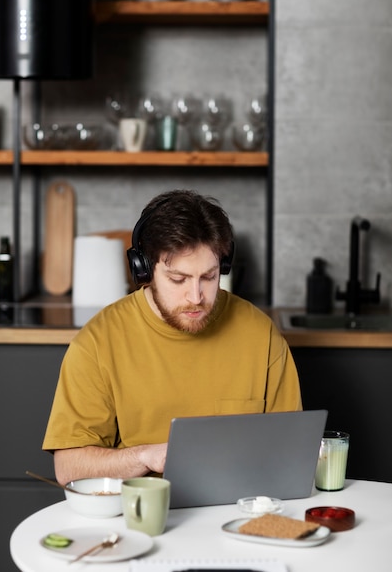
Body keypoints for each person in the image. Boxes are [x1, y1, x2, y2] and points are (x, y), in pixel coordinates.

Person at [43, 189, 302, 485]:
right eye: (178, 279)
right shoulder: (97, 343)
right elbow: (68, 468)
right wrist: (145, 457)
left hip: (236, 515)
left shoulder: (261, 335)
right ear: (144, 270)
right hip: (139, 520)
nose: (195, 297)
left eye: (209, 277)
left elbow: (291, 452)